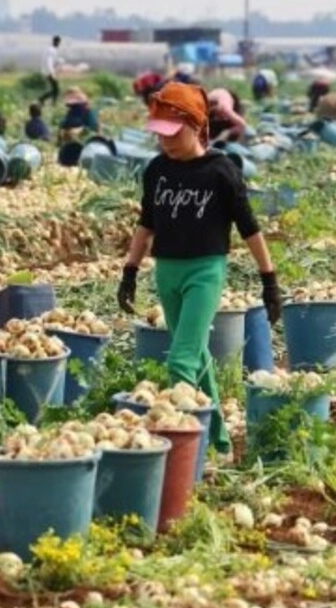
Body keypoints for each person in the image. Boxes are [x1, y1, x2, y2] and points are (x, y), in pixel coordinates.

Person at [117, 82, 282, 454]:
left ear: (196, 125)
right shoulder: (157, 170)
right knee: (198, 357)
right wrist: (130, 270)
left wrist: (269, 280)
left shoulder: (221, 171)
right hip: (167, 272)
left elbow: (249, 229)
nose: (165, 142)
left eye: (173, 134)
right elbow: (147, 223)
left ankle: (187, 454)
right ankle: (219, 441)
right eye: (160, 135)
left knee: (180, 361)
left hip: (204, 272)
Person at [38, 36, 62, 106]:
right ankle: (44, 100)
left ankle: (47, 101)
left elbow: (52, 62)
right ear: (57, 42)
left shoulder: (49, 50)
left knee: (55, 89)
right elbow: (49, 62)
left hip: (47, 71)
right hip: (49, 72)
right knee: (56, 89)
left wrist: (58, 62)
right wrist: (52, 73)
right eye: (58, 43)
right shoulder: (52, 50)